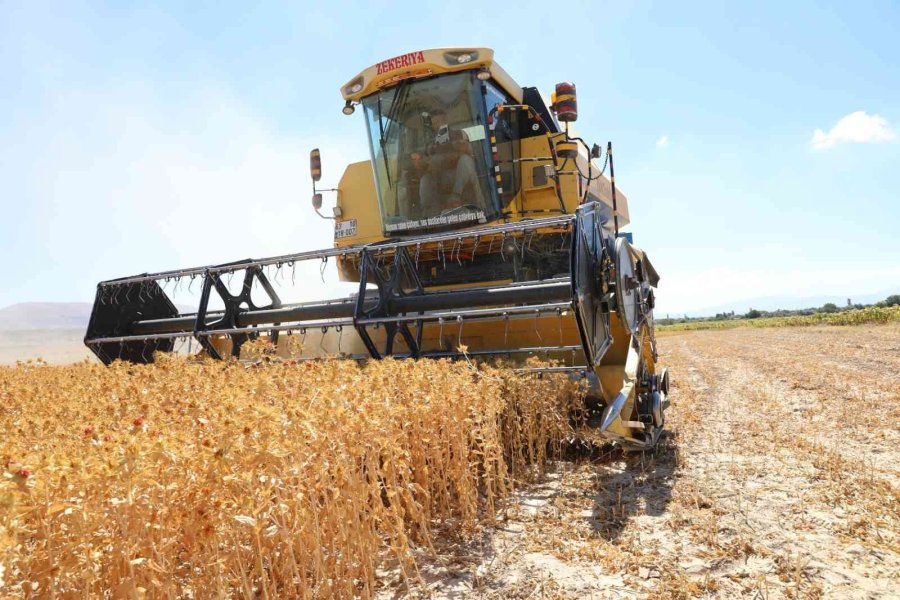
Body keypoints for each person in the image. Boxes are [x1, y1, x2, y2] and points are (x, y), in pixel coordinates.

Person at [418, 108, 482, 214]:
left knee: (466, 160)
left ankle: (456, 196)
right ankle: (428, 211)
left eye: (438, 122)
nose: (436, 126)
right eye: (434, 124)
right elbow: (428, 161)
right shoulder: (431, 142)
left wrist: (453, 151)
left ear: (445, 121)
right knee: (425, 179)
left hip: (460, 174)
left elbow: (469, 152)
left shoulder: (460, 134)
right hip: (440, 176)